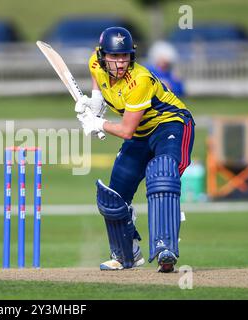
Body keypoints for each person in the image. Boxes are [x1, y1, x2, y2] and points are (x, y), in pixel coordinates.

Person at [76, 27, 195, 273]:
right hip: (141, 134)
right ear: (102, 56)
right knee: (113, 196)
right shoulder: (95, 64)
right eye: (114, 56)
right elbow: (98, 80)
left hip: (170, 125)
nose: (120, 63)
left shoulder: (139, 80)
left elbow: (127, 130)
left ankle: (166, 248)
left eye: (124, 56)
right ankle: (125, 252)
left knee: (162, 174)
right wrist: (96, 103)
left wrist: (98, 123)